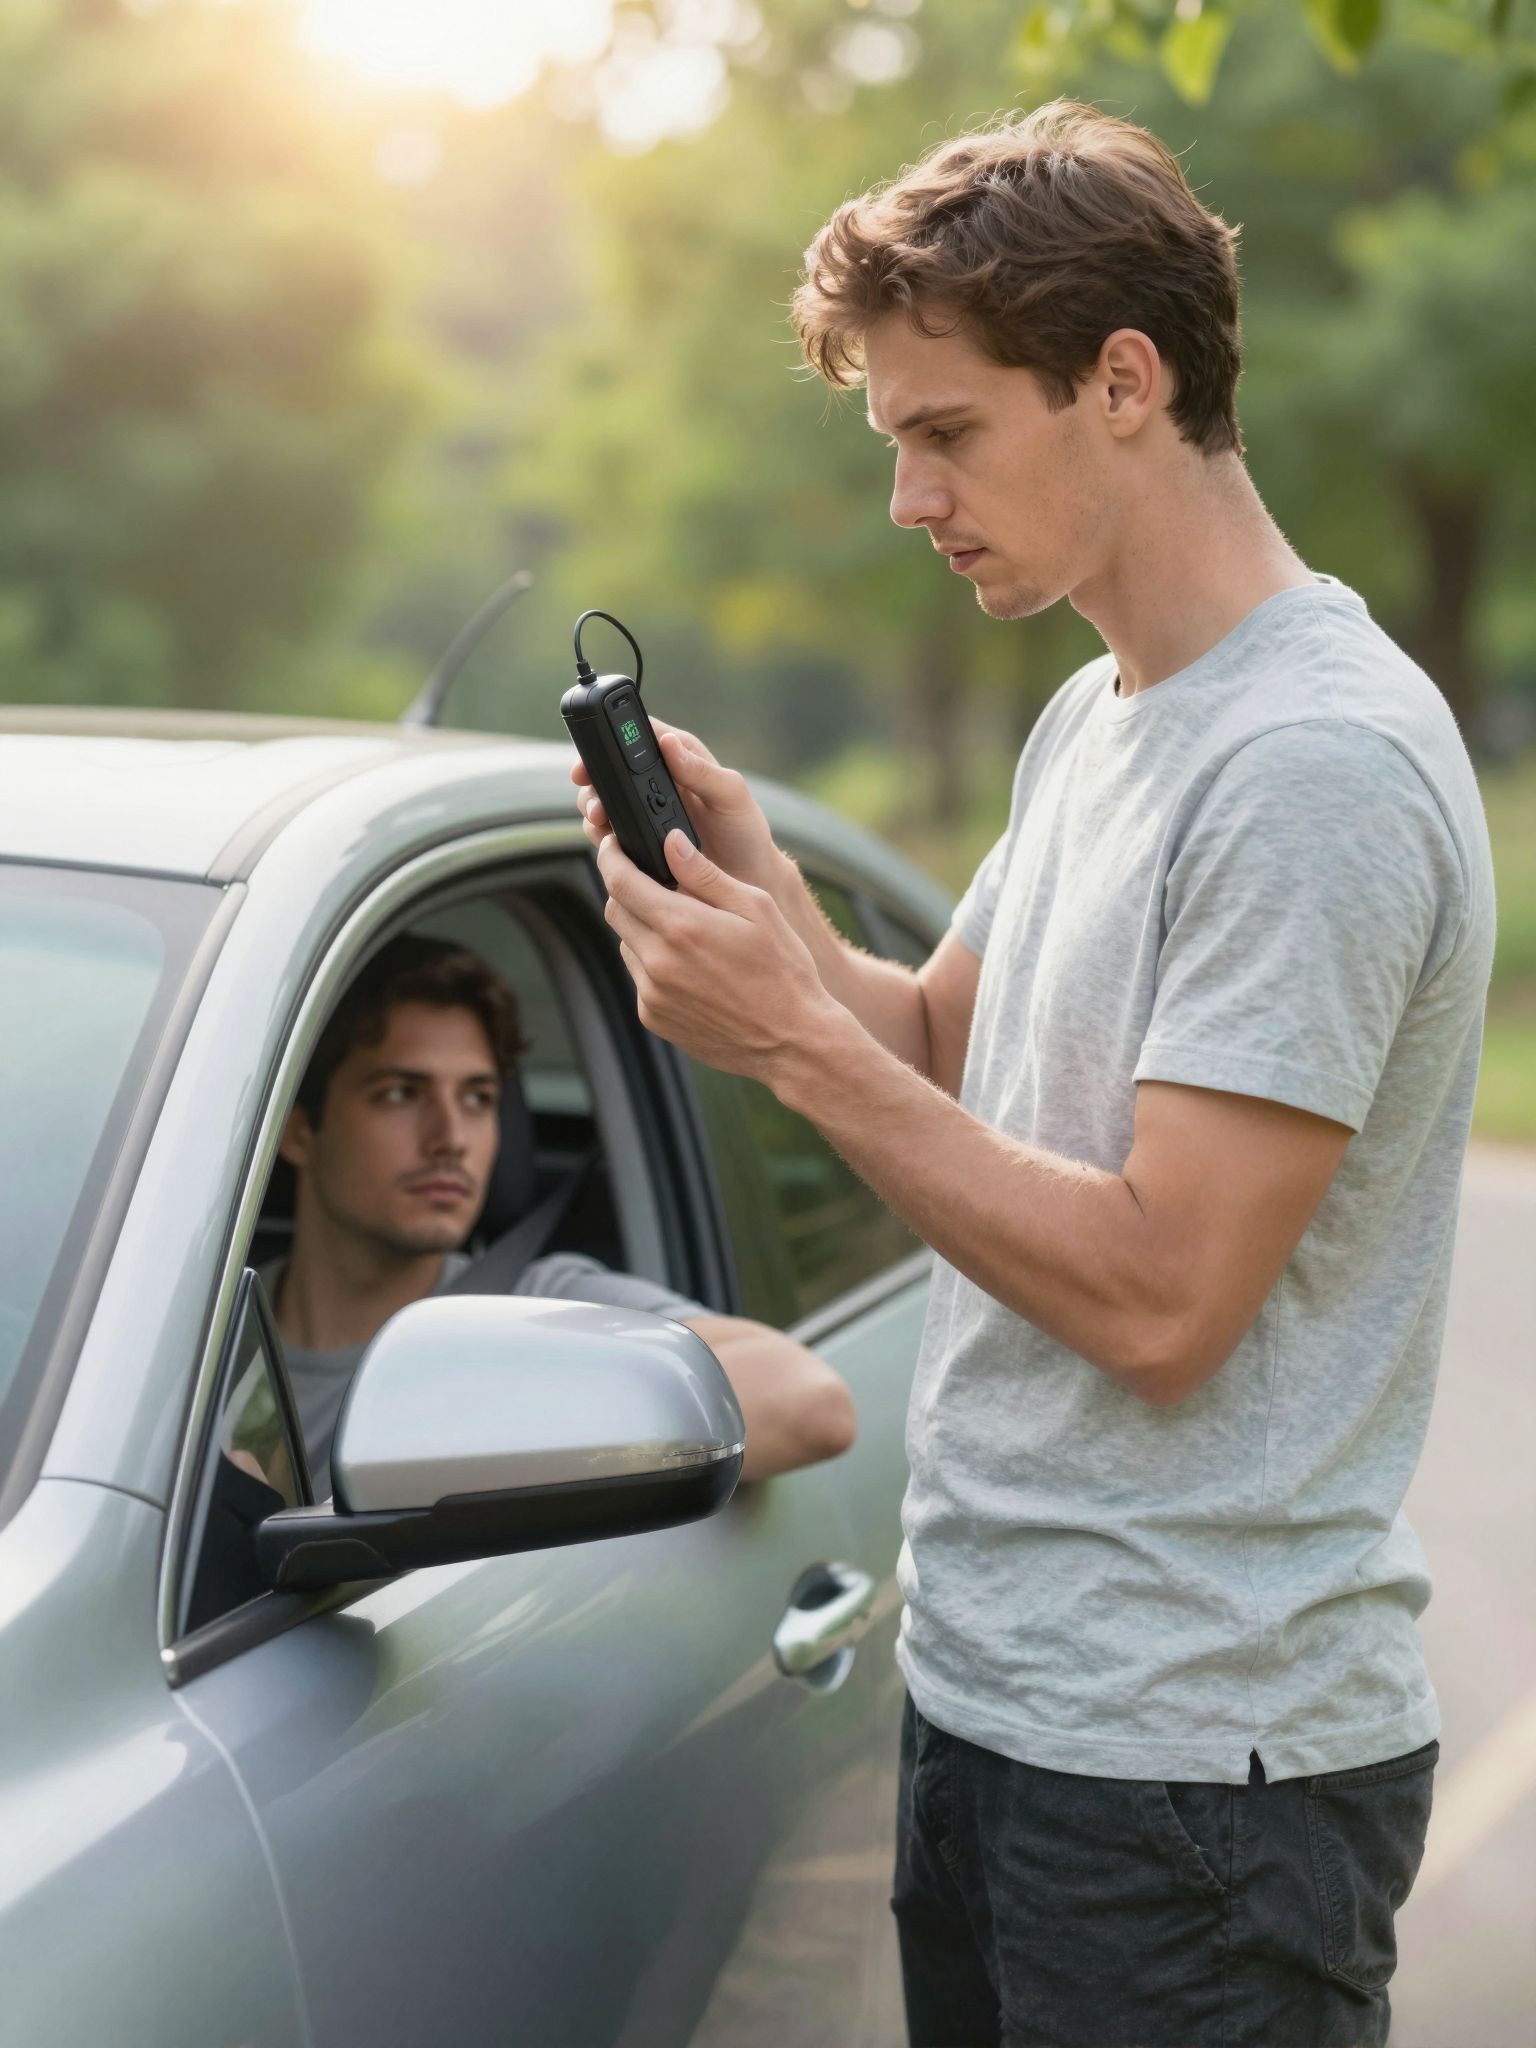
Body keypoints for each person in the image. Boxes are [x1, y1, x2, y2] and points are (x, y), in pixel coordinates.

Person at [574, 100, 1497, 2048]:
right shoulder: (1100, 711)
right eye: (896, 441)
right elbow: (944, 1047)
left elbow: (1166, 1297)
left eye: (947, 431)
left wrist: (793, 1050)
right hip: (1003, 1703)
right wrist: (768, 894)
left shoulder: (1313, 765)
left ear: (1126, 382)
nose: (910, 498)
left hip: (1196, 1782)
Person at [263, 933, 855, 1498]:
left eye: (478, 1098)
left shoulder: (533, 1311)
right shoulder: (207, 1338)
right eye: (400, 1093)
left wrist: (507, 1425)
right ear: (298, 1132)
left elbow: (809, 1403)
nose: (451, 1138)